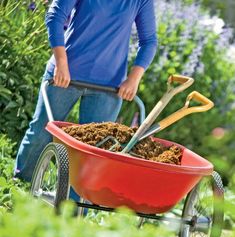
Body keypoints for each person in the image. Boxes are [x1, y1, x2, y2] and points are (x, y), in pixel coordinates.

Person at [14, 0, 157, 199]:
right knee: (41, 133)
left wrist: (133, 78)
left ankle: (72, 210)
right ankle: (19, 190)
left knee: (94, 150)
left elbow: (149, 41)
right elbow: (55, 16)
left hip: (108, 87)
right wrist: (61, 63)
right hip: (65, 76)